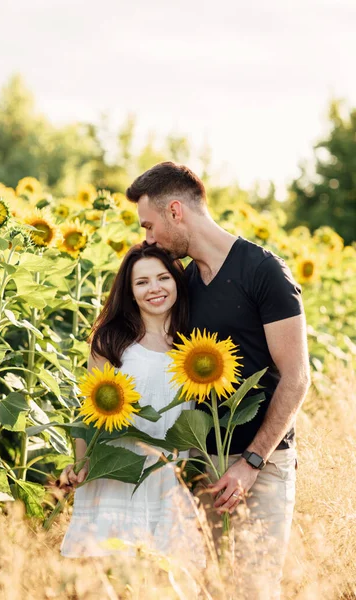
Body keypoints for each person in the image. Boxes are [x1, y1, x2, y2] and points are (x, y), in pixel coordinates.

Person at [126, 162, 311, 598]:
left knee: (253, 587)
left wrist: (251, 462)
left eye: (149, 225)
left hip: (261, 466)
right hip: (202, 463)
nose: (147, 238)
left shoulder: (263, 271)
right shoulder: (185, 283)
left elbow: (297, 377)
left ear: (176, 211)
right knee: (209, 587)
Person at [59, 243, 202, 559]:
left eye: (163, 278)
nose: (155, 288)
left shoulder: (196, 346)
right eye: (142, 282)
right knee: (111, 575)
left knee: (167, 580)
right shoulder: (111, 342)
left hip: (169, 476)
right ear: (131, 292)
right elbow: (89, 412)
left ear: (177, 282)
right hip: (119, 471)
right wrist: (81, 464)